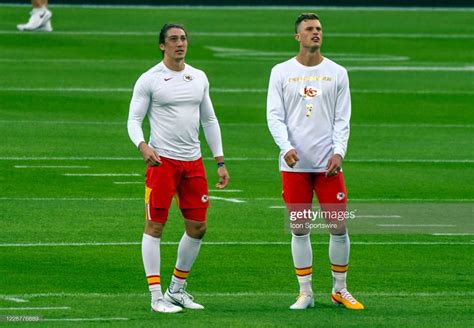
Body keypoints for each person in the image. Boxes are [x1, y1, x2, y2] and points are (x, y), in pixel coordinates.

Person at [127, 23, 229, 313]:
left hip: (193, 162)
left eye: (183, 38)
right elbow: (134, 119)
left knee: (198, 227)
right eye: (173, 39)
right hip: (163, 162)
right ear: (162, 46)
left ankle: (177, 289)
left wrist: (219, 161)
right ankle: (156, 296)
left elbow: (209, 120)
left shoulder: (198, 77)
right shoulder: (150, 79)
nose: (179, 43)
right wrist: (143, 145)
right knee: (155, 226)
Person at [266, 13, 364, 310]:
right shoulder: (281, 71)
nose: (315, 33)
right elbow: (274, 115)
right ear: (298, 36)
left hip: (327, 164)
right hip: (294, 165)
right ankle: (306, 292)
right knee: (300, 227)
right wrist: (285, 147)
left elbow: (342, 118)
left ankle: (340, 289)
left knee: (338, 226)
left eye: (319, 29)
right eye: (309, 29)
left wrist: (339, 152)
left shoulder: (337, 72)